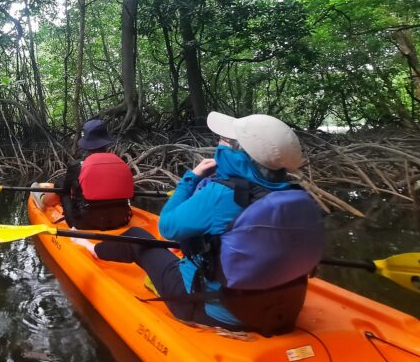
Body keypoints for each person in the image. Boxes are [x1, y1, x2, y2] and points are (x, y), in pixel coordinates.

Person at [73, 112, 324, 335]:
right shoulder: (296, 194)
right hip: (287, 310)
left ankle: (91, 249)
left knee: (140, 237)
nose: (218, 143)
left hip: (207, 308)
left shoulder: (220, 193)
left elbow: (167, 226)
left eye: (224, 141)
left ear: (237, 152)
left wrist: (190, 178)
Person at [33, 119, 134, 230]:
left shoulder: (77, 166)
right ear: (106, 143)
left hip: (85, 223)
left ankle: (43, 201)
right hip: (122, 219)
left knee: (61, 185)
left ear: (86, 144)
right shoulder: (120, 163)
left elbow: (65, 190)